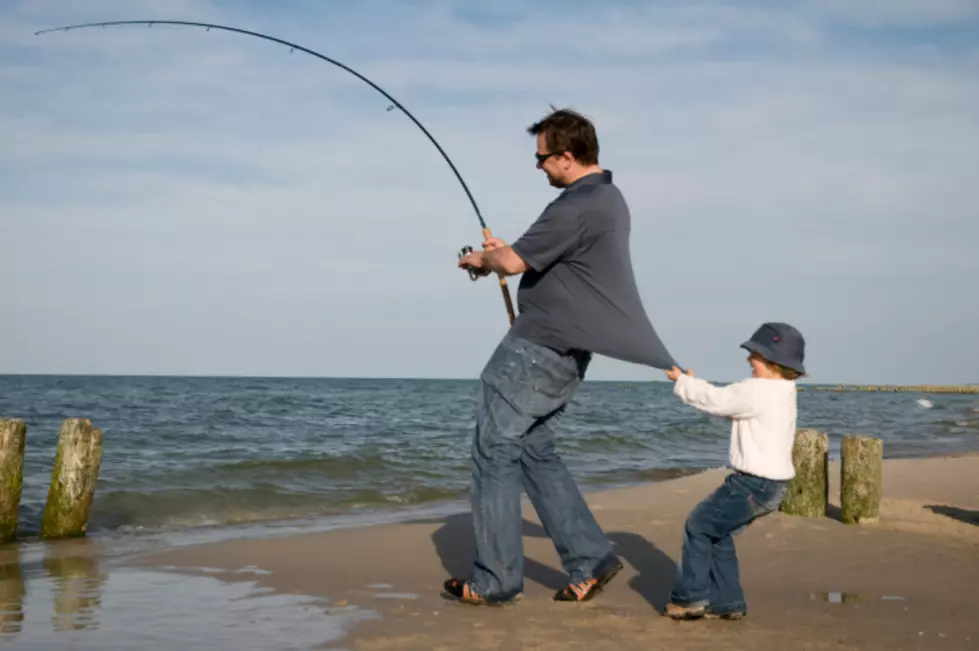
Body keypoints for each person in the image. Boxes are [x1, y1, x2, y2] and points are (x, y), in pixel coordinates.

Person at [448, 107, 681, 606]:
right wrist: (506, 256)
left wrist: (482, 259)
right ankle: (590, 557)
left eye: (543, 159)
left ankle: (494, 580)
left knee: (493, 449)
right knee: (533, 449)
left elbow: (511, 261)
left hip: (536, 349)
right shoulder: (607, 199)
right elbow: (551, 261)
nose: (539, 168)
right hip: (565, 352)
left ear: (568, 157)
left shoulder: (575, 205)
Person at [662, 322, 806, 621]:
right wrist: (694, 385)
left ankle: (690, 599)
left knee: (698, 525)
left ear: (773, 361)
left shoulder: (757, 390)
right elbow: (732, 407)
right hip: (772, 487)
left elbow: (718, 400)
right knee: (718, 533)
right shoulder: (784, 391)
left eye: (755, 354)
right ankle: (728, 602)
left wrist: (683, 383)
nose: (749, 360)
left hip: (752, 484)